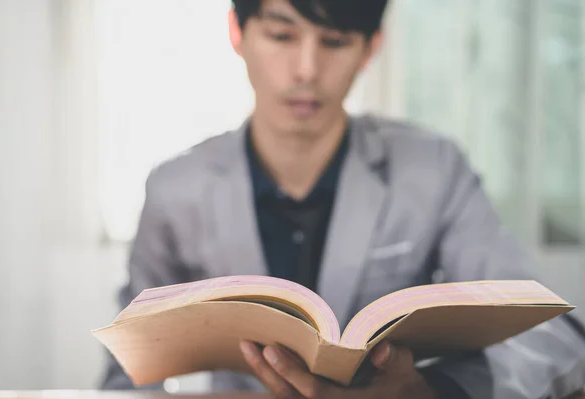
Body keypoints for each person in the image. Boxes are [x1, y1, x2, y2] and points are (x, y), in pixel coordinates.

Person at [101, 0, 585, 397]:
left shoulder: (433, 167)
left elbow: (548, 334)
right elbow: (127, 368)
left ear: (370, 47)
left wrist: (433, 390)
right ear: (237, 32)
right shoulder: (175, 187)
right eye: (281, 35)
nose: (307, 70)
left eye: (334, 42)